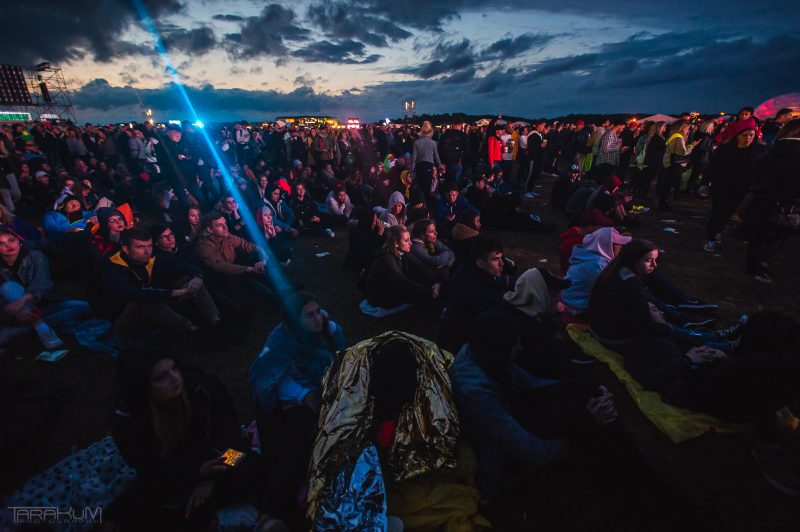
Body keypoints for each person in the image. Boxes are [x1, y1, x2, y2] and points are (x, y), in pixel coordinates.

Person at [307, 332, 488, 530]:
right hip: (384, 469)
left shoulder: (431, 378)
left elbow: (438, 436)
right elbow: (341, 446)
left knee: (463, 462)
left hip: (400, 464)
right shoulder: (353, 388)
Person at [108, 350, 273, 530]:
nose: (175, 378)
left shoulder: (203, 388)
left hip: (221, 459)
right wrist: (196, 473)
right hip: (178, 475)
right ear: (143, 388)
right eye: (162, 377)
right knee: (146, 503)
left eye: (174, 368)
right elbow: (151, 469)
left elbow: (233, 439)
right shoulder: (128, 421)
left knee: (248, 464)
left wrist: (213, 474)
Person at [248, 294, 346, 527]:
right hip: (283, 401)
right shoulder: (280, 339)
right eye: (309, 315)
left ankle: (276, 509)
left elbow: (342, 363)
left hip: (319, 395)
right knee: (288, 444)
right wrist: (304, 395)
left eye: (318, 311)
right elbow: (266, 377)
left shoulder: (330, 331)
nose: (317, 318)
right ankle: (273, 511)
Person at [91, 227, 220, 338]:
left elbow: (182, 266)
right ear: (125, 249)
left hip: (150, 314)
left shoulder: (151, 259)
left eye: (149, 246)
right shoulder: (111, 266)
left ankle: (216, 321)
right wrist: (171, 293)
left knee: (188, 280)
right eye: (140, 247)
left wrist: (198, 277)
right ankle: (193, 332)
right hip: (121, 319)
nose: (147, 251)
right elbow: (131, 293)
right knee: (144, 300)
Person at [0, 228, 90, 349]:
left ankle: (19, 331)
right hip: (10, 313)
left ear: (18, 240)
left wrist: (22, 301)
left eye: (11, 240)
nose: (8, 246)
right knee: (9, 287)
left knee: (82, 306)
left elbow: (42, 284)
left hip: (40, 306)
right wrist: (12, 309)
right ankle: (42, 328)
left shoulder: (35, 256)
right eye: (1, 244)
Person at [743, 119, 800, 283]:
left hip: (763, 196)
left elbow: (757, 171)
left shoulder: (773, 148)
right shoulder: (794, 150)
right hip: (787, 201)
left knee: (759, 234)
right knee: (776, 236)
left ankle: (752, 265)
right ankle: (762, 266)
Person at [702, 118, 767, 253]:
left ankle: (718, 230)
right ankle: (711, 237)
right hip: (722, 185)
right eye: (744, 135)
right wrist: (705, 182)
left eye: (751, 135)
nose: (748, 138)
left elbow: (761, 170)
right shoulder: (725, 149)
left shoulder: (759, 151)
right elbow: (713, 166)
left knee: (729, 211)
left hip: (742, 187)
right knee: (717, 211)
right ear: (737, 135)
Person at [439, 236, 511, 353]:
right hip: (464, 351)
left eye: (501, 258)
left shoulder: (466, 271)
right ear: (480, 263)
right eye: (496, 259)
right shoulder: (483, 294)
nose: (502, 263)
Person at [363, 225, 441, 309]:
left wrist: (436, 281)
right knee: (415, 292)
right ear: (396, 243)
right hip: (379, 295)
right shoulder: (386, 258)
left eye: (410, 239)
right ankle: (438, 307)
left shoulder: (403, 252)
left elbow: (421, 266)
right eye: (406, 241)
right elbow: (400, 280)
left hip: (392, 286)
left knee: (421, 278)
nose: (410, 243)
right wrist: (429, 291)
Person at [562, 227, 631, 315]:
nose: (621, 247)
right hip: (578, 305)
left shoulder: (592, 256)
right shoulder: (596, 264)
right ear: (608, 246)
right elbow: (609, 290)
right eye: (619, 244)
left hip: (580, 300)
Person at [558, 209, 614, 275]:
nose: (603, 231)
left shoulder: (576, 233)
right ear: (589, 228)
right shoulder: (576, 245)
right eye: (601, 228)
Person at [658, 120, 698, 211]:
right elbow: (683, 152)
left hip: (668, 162)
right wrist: (692, 146)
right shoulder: (679, 137)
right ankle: (663, 203)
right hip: (673, 164)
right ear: (682, 128)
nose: (688, 130)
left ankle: (662, 202)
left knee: (666, 183)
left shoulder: (674, 135)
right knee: (668, 184)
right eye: (688, 128)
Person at [409, 218, 456, 282]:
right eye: (432, 231)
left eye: (435, 230)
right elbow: (436, 261)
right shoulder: (416, 247)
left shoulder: (430, 241)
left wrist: (447, 264)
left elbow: (451, 253)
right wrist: (447, 253)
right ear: (422, 235)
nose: (436, 233)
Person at [343, 207, 386, 272]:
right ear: (368, 220)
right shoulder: (357, 234)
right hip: (359, 263)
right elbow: (371, 250)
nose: (375, 223)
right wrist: (380, 234)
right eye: (374, 220)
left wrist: (380, 230)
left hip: (364, 259)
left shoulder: (366, 229)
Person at [410, 121, 442, 201]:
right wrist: (440, 166)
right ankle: (426, 204)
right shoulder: (433, 143)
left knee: (420, 187)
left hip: (419, 166)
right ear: (430, 131)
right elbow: (436, 156)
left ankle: (420, 203)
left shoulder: (416, 142)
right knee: (427, 188)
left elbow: (413, 158)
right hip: (428, 166)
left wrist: (411, 170)